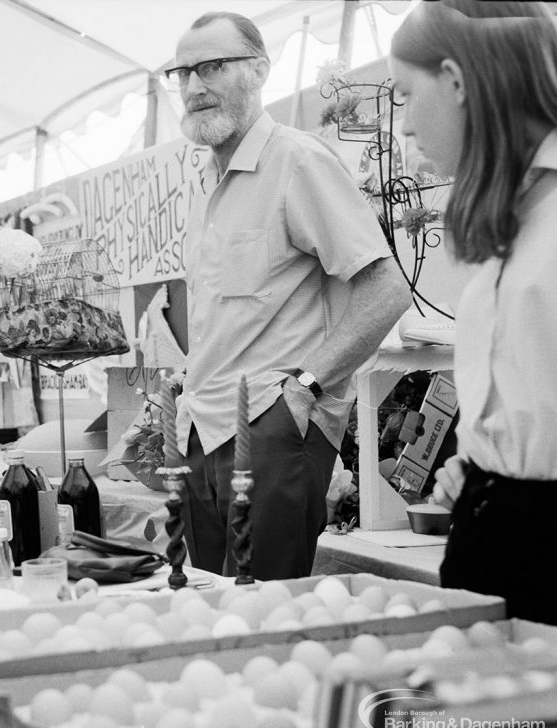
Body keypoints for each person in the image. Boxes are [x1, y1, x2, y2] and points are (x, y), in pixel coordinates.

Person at [169, 12, 411, 579]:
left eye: (212, 66)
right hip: (202, 428)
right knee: (206, 610)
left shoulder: (296, 160)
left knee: (265, 615)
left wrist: (303, 389)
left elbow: (387, 289)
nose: (194, 87)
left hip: (271, 428)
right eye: (182, 73)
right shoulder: (203, 182)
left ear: (257, 71)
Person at [391, 0, 557, 625]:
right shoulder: (511, 220)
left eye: (407, 95)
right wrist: (480, 464)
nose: (404, 127)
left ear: (458, 82)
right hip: (490, 540)